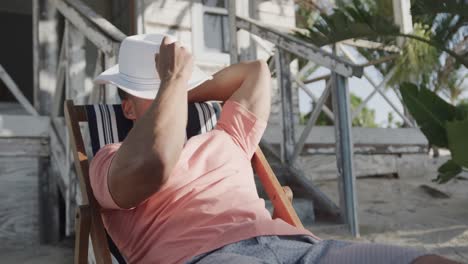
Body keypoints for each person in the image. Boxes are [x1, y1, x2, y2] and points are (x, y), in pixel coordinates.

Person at [91, 34, 458, 264]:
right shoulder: (110, 158)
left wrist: (182, 88)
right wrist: (170, 83)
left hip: (299, 248)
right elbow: (154, 164)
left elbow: (255, 73)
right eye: (149, 91)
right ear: (127, 108)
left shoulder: (227, 137)